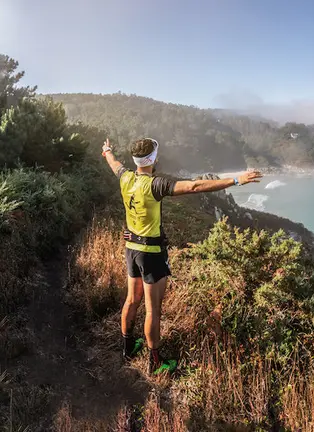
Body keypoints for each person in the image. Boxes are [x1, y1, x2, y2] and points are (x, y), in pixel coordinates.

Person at [102, 137, 262, 374]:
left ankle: (128, 347)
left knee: (131, 300)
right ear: (153, 158)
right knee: (152, 310)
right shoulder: (155, 184)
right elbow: (194, 186)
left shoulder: (125, 177)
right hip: (151, 253)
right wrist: (236, 179)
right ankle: (155, 362)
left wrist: (106, 150)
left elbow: (114, 163)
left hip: (131, 249)